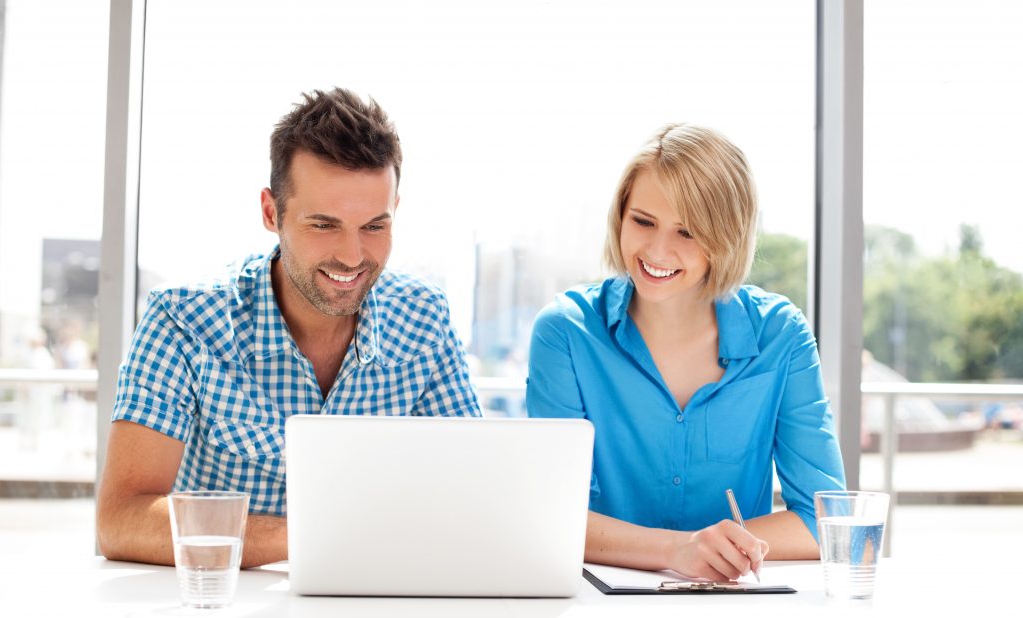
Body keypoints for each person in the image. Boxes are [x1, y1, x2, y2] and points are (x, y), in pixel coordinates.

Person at [97, 88, 481, 567]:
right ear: (271, 213)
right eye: (324, 225)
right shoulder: (184, 319)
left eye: (374, 227)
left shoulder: (424, 318)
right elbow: (121, 519)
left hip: (377, 610)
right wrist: (313, 537)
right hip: (229, 616)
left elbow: (472, 492)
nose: (352, 255)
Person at [527, 124, 845, 582]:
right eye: (643, 221)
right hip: (599, 606)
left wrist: (714, 553)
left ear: (726, 237)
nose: (658, 250)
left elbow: (823, 521)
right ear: (620, 216)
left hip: (734, 607)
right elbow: (549, 516)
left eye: (688, 232)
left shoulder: (782, 335)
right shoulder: (566, 333)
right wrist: (679, 550)